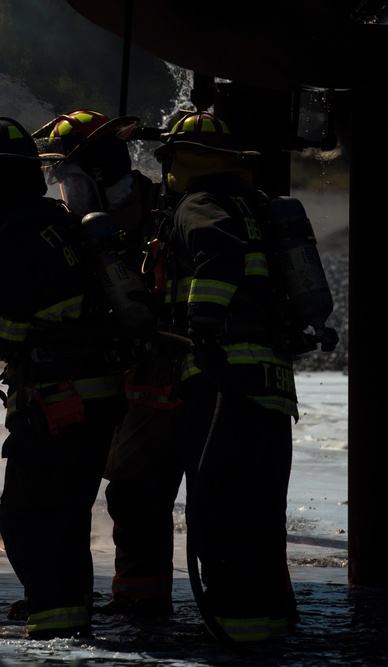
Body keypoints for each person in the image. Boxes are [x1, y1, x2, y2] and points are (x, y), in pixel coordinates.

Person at [0, 116, 130, 639]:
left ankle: (56, 624)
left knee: (27, 517)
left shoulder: (16, 240)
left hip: (59, 404)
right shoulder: (55, 222)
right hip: (92, 399)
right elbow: (45, 306)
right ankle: (67, 603)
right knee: (62, 517)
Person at [151, 110, 299, 643]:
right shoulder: (255, 206)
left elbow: (221, 259)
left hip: (224, 386)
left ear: (184, 160)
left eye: (169, 158)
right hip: (271, 385)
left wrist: (204, 330)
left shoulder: (200, 205)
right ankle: (270, 631)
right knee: (260, 517)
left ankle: (237, 642)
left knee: (223, 517)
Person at [36, 109, 183, 619]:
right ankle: (140, 598)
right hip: (124, 374)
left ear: (98, 173)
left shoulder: (159, 213)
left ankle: (142, 606)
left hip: (163, 375)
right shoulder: (94, 225)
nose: (62, 191)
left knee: (137, 492)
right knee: (130, 490)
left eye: (69, 178)